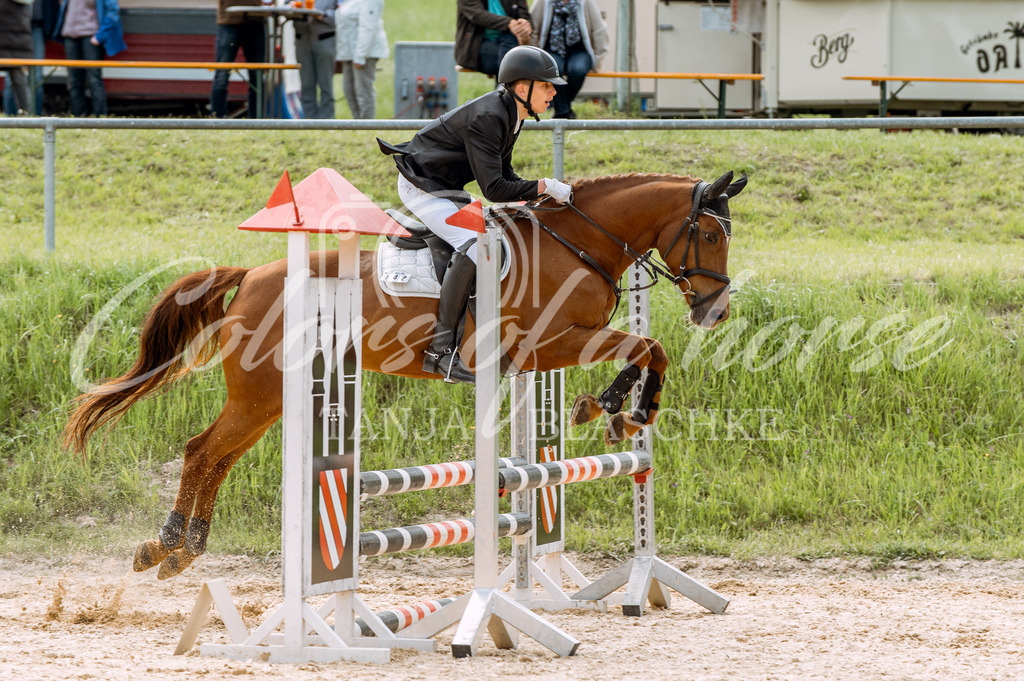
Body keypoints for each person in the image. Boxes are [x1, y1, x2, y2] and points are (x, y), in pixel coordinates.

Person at [377, 45, 572, 384]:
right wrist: (544, 185)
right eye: (546, 86)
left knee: (501, 234)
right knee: (475, 245)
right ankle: (440, 351)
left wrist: (530, 199)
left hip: (446, 185)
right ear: (522, 88)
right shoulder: (490, 116)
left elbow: (505, 175)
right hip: (423, 186)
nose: (553, 91)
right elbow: (495, 189)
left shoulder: (512, 115)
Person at [530, 0, 607, 119]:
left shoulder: (585, 2)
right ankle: (564, 111)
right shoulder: (542, 2)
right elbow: (532, 29)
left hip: (579, 50)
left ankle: (561, 110)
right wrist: (534, 56)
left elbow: (600, 31)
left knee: (579, 70)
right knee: (554, 71)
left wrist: (598, 59)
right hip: (552, 49)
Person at [54, 0, 126, 117]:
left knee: (94, 79)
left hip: (90, 36)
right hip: (70, 35)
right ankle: (78, 116)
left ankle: (99, 117)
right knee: (74, 80)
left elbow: (113, 12)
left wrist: (99, 36)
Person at [210, 0, 265, 118]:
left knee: (257, 77)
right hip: (229, 21)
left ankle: (256, 121)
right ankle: (216, 120)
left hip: (256, 22)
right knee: (222, 75)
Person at [335, 0, 388, 119]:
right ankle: (357, 122)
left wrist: (360, 56)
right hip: (348, 54)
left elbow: (368, 27)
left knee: (363, 92)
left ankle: (367, 125)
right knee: (349, 90)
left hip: (364, 54)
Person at [455, 0, 532, 77]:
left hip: (510, 39)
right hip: (477, 45)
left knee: (511, 54)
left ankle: (505, 85)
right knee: (514, 60)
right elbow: (477, 15)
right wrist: (509, 23)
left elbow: (523, 14)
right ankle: (508, 84)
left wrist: (523, 24)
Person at [294, 0, 336, 119]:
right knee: (306, 84)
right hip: (302, 39)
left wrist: (322, 14)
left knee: (325, 84)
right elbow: (285, 6)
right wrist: (292, 7)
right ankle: (308, 122)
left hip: (325, 39)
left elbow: (342, 14)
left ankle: (327, 122)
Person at [0, 0, 34, 115]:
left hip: (16, 40)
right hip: (17, 40)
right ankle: (25, 113)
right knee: (19, 80)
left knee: (19, 80)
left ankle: (25, 113)